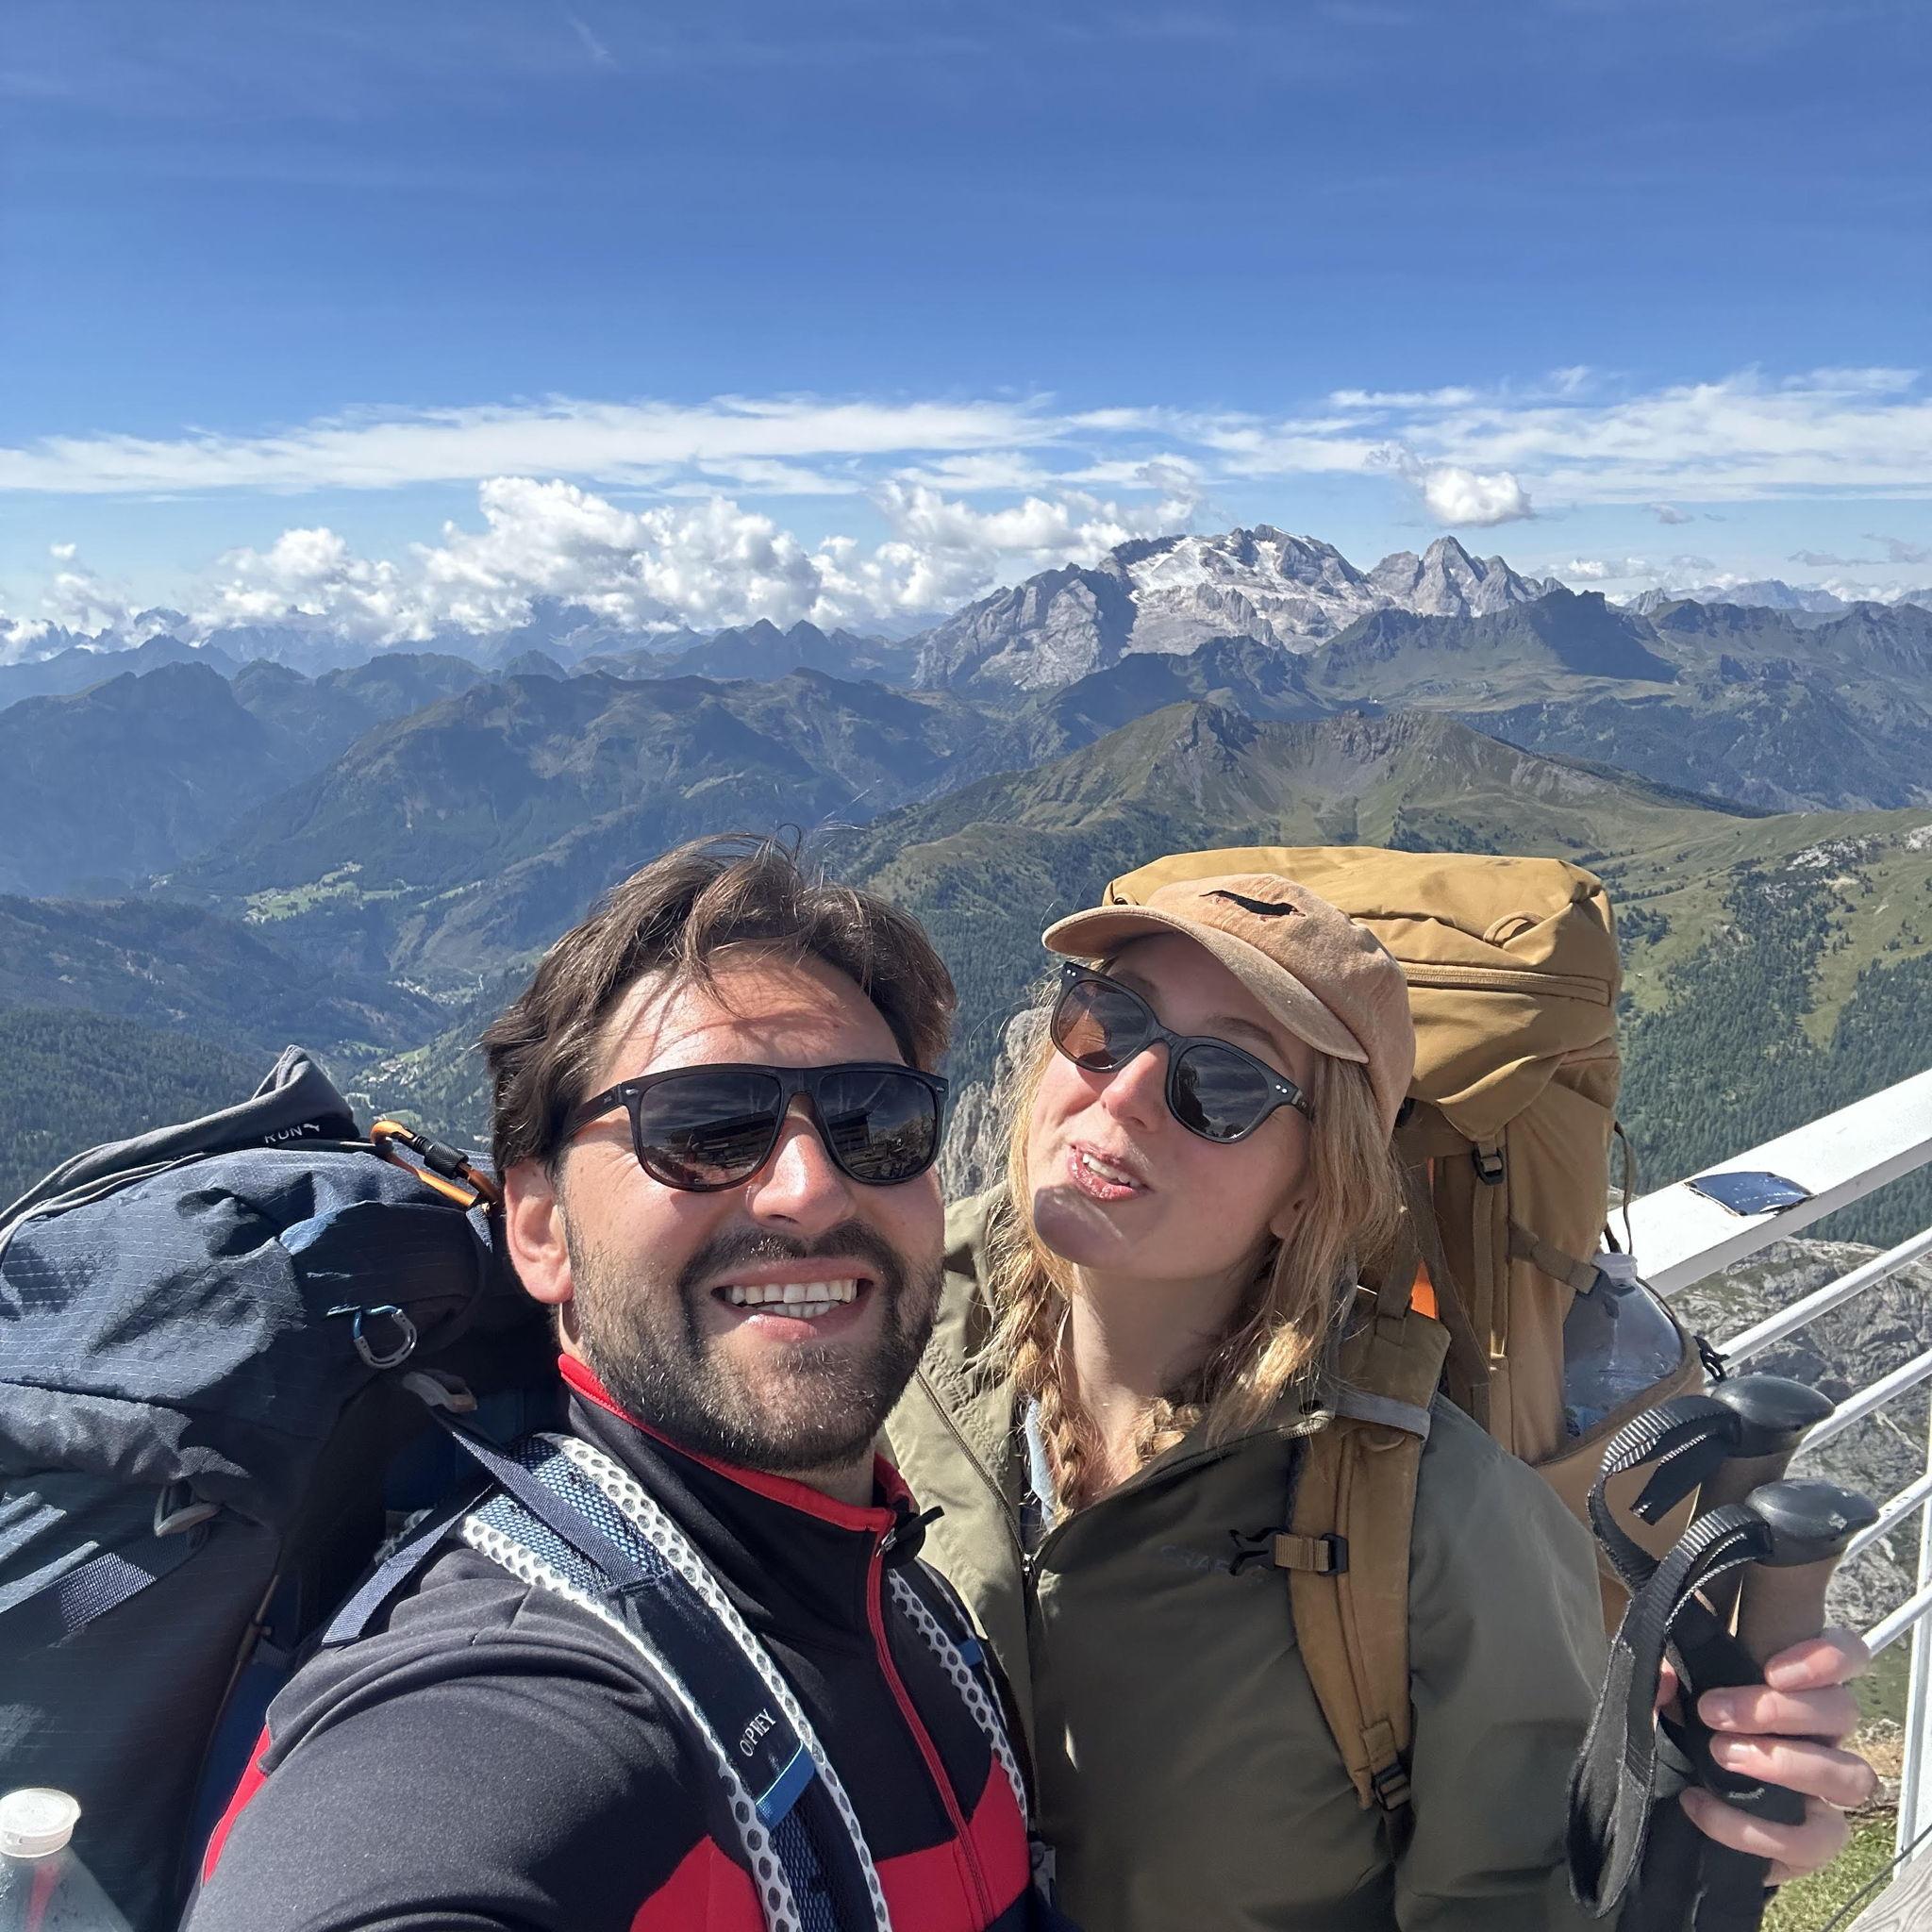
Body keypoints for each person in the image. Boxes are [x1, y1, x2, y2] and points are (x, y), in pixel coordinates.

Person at [885, 869, 1876, 1932]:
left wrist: (1693, 1831)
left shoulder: (1432, 1519)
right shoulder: (889, 1319)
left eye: (1218, 1085)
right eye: (1103, 1021)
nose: (1120, 1090)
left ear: (1311, 1184)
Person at [186, 840, 1037, 1932]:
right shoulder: (514, 1691)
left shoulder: (909, 1601)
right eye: (702, 1128)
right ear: (539, 1226)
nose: (809, 1185)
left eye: (874, 1120)